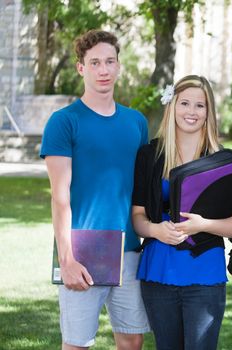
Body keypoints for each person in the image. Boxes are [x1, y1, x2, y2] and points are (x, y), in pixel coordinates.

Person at [40, 30, 150, 349]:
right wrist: (67, 259)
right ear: (81, 68)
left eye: (110, 61)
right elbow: (60, 199)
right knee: (76, 344)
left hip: (129, 248)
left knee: (131, 341)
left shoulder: (136, 123)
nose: (103, 70)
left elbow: (142, 188)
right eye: (95, 62)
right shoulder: (64, 122)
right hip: (82, 251)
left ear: (118, 67)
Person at [131, 75, 232, 349]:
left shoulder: (223, 160)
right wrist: (155, 230)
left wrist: (203, 225)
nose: (191, 111)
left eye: (200, 105)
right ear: (172, 106)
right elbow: (137, 217)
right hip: (158, 270)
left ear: (209, 112)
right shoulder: (149, 156)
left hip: (204, 272)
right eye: (184, 103)